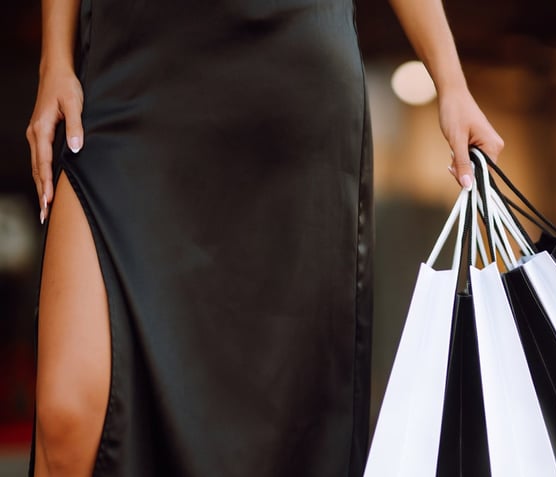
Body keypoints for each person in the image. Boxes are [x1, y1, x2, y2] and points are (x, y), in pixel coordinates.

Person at [25, 0, 502, 475]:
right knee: (67, 419)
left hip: (291, 93)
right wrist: (55, 63)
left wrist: (451, 83)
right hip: (125, 72)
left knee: (281, 440)